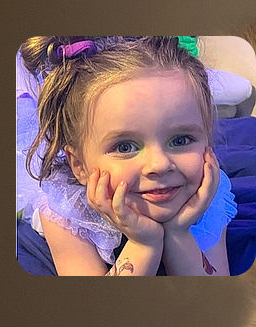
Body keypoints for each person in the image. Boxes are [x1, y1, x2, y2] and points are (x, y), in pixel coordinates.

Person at [18, 36, 234, 276]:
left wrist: (179, 233)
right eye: (124, 147)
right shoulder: (67, 211)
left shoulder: (207, 193)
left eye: (180, 140)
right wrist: (144, 244)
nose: (159, 164)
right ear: (79, 166)